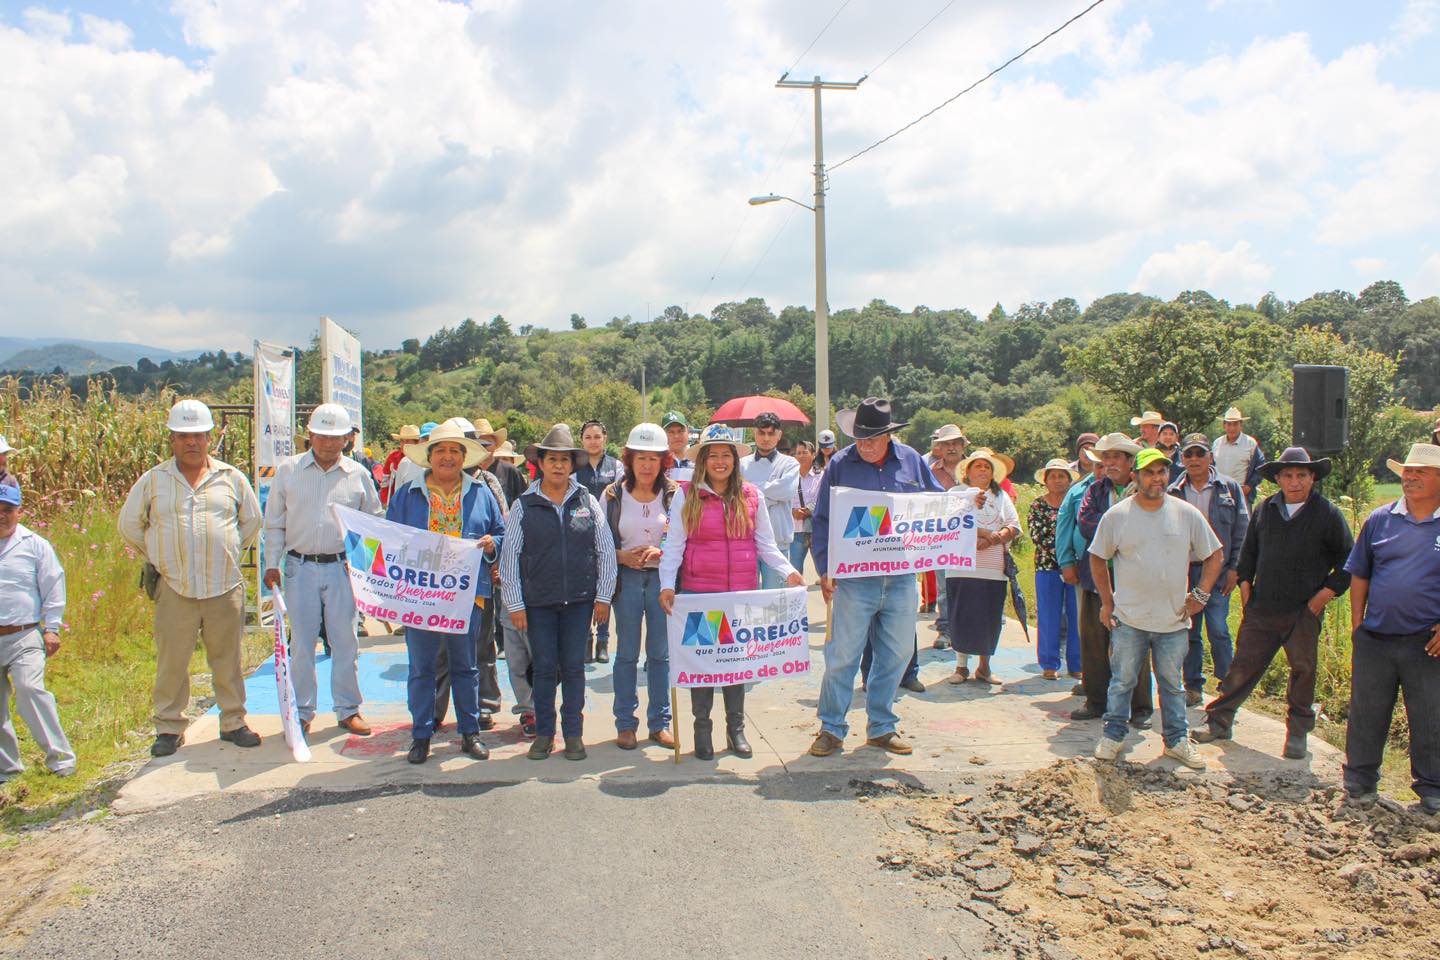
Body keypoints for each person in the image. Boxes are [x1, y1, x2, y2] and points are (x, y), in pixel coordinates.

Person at [119, 399, 263, 757]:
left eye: (198, 435)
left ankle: (232, 721)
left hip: (222, 586)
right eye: (184, 436)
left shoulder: (230, 478)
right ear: (172, 439)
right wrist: (160, 557)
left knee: (227, 658)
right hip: (175, 587)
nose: (192, 443)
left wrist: (227, 551)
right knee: (173, 660)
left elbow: (251, 522)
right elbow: (129, 525)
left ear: (209, 437)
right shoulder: (155, 480)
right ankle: (169, 727)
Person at [809, 398, 945, 758]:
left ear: (888, 436)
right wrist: (824, 567)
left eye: (871, 438)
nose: (864, 445)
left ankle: (882, 726)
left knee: (897, 653)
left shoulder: (912, 460)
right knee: (842, 655)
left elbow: (938, 504)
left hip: (901, 576)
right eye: (859, 438)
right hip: (855, 578)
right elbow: (821, 519)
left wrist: (964, 506)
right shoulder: (839, 464)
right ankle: (831, 728)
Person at [1196, 447, 1352, 759]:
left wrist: (1325, 595)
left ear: (1312, 478)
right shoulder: (1265, 510)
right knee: (1243, 666)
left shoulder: (1327, 514)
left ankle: (1297, 733)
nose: (1295, 482)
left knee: (1303, 669)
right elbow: (1249, 551)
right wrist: (1244, 583)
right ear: (1278, 479)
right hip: (1263, 607)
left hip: (1303, 609)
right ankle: (1220, 720)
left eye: (1302, 475)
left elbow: (1349, 560)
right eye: (1288, 475)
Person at [659, 424, 803, 759]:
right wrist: (668, 584)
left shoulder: (752, 495)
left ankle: (735, 730)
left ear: (735, 460)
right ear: (703, 460)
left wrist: (789, 572)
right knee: (702, 667)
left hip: (740, 596)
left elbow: (765, 545)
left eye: (726, 455)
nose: (720, 461)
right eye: (714, 456)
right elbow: (675, 545)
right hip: (699, 595)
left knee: (735, 666)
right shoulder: (686, 494)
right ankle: (702, 730)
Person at [1089, 448, 1223, 769]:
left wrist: (1201, 595)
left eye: (1162, 472)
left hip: (1172, 619)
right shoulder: (1118, 516)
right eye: (1149, 472)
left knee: (1172, 685)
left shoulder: (1185, 513)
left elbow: (1214, 555)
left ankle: (1177, 740)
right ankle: (1114, 734)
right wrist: (1108, 602)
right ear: (1135, 476)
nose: (1156, 478)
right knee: (1122, 681)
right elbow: (1097, 557)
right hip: (1129, 618)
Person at [386, 422, 505, 765]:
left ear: (464, 457)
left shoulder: (480, 493)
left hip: (466, 595)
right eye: (441, 451)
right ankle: (421, 734)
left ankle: (470, 733)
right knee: (421, 666)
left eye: (455, 451)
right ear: (429, 457)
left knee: (466, 665)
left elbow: (500, 532)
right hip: (420, 595)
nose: (448, 457)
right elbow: (389, 538)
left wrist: (490, 544)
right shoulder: (408, 494)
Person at [262, 404, 382, 738]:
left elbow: (374, 521)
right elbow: (275, 524)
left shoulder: (357, 475)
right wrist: (272, 563)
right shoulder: (288, 471)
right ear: (310, 435)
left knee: (346, 641)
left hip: (341, 568)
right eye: (322, 435)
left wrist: (366, 567)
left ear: (347, 439)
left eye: (336, 437)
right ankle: (301, 711)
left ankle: (348, 710)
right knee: (302, 643)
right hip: (300, 567)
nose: (328, 443)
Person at [501, 424, 616, 762]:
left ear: (572, 464)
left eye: (564, 460)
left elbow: (605, 549)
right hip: (538, 603)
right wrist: (516, 603)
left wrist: (603, 596)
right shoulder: (524, 504)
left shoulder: (587, 501)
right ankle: (545, 735)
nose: (558, 466)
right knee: (545, 669)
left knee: (575, 669)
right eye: (551, 459)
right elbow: (510, 556)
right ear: (541, 463)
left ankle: (574, 734)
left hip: (579, 602)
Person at [1340, 443, 1440, 814]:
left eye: (1421, 472)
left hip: (1427, 641)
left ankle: (1431, 790)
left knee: (1430, 716)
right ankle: (1359, 782)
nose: (1410, 478)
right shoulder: (1380, 520)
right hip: (1376, 637)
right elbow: (1360, 574)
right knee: (1367, 711)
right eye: (1407, 473)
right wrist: (1357, 626)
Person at [1071, 433, 1155, 727]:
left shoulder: (1145, 490)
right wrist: (1120, 527)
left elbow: (1146, 527)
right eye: (1105, 458)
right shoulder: (1095, 490)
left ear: (1130, 461)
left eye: (1116, 457)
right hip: (1097, 575)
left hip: (1134, 577)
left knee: (1136, 640)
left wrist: (1113, 529)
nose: (1109, 463)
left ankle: (1141, 706)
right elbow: (1086, 525)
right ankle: (1096, 699)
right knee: (1093, 637)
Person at [603, 423, 678, 749]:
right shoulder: (612, 495)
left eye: (654, 458)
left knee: (660, 656)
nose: (647, 465)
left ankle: (659, 723)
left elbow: (684, 539)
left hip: (663, 581)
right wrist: (621, 556)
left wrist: (662, 553)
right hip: (628, 581)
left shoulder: (675, 495)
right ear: (629, 460)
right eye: (640, 457)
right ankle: (625, 724)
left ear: (664, 461)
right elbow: (599, 542)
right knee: (627, 655)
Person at [431, 417, 506, 731]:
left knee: (481, 646)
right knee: (439, 651)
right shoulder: (422, 486)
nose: (451, 457)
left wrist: (495, 552)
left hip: (477, 583)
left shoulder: (487, 484)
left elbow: (502, 525)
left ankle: (482, 706)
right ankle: (432, 711)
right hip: (433, 585)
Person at [0, 483, 76, 781]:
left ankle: (60, 758)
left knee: (30, 689)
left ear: (19, 512)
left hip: (25, 634)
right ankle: (7, 770)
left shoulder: (34, 544)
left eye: (8, 511)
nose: (2, 516)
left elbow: (53, 585)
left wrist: (52, 628)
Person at [1167, 433, 1248, 707]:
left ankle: (1228, 685)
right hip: (1185, 572)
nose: (1194, 459)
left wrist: (1236, 568)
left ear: (1210, 457)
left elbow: (1242, 531)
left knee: (1218, 629)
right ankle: (1193, 686)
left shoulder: (1230, 488)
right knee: (1189, 631)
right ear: (1182, 459)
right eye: (1188, 455)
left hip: (1219, 572)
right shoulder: (1173, 491)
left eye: (1199, 454)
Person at [945, 448, 1022, 686]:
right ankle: (961, 666)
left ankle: (984, 667)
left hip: (992, 565)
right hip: (961, 565)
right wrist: (983, 534)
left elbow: (1014, 525)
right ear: (967, 471)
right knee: (962, 612)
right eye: (977, 466)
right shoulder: (956, 493)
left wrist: (994, 538)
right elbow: (950, 521)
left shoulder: (1001, 496)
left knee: (989, 615)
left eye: (987, 466)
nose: (982, 470)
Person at [1056, 435, 1107, 689]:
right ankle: (1090, 679)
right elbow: (1064, 528)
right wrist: (1066, 561)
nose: (1101, 469)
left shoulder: (1127, 490)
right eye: (1097, 464)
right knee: (1086, 626)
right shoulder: (1077, 490)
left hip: (1121, 569)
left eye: (1104, 463)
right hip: (1084, 566)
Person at [575, 420, 622, 664]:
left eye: (597, 436)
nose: (593, 441)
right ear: (581, 441)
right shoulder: (574, 468)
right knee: (584, 590)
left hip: (610, 534)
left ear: (605, 438)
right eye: (588, 437)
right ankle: (586, 640)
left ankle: (603, 641)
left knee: (607, 586)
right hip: (580, 536)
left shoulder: (617, 467)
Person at [1029, 458, 1081, 680]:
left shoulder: (1077, 503)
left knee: (1076, 616)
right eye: (1053, 476)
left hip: (1075, 567)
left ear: (1069, 480)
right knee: (1048, 616)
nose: (1058, 480)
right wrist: (1063, 548)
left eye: (1062, 476)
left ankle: (1077, 664)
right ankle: (1049, 664)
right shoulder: (1037, 505)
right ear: (1045, 480)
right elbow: (1037, 536)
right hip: (1047, 566)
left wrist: (1071, 554)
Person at [739, 411, 800, 590]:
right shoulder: (741, 464)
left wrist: (751, 490)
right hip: (745, 542)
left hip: (778, 544)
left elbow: (786, 491)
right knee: (746, 603)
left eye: (771, 433)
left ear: (779, 435)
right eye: (761, 433)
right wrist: (771, 493)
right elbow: (736, 494)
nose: (766, 438)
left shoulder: (790, 464)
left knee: (774, 606)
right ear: (754, 433)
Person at [924, 424, 967, 647]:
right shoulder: (930, 474)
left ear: (962, 446)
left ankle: (967, 632)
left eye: (955, 443)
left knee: (969, 586)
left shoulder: (975, 470)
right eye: (946, 444)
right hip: (943, 538)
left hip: (972, 539)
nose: (951, 448)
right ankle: (945, 630)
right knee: (944, 586)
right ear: (939, 448)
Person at [1212, 407, 1264, 506]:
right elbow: (1211, 467)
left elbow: (1260, 468)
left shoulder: (1250, 443)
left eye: (1235, 424)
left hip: (1242, 494)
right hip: (1219, 492)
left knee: (1243, 521)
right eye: (1229, 424)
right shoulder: (1217, 443)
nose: (1232, 428)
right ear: (1224, 425)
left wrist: (1249, 486)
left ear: (1241, 425)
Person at [473, 418, 528, 507]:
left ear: (496, 445)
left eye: (488, 443)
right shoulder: (466, 471)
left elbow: (524, 503)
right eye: (479, 443)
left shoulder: (510, 470)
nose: (484, 447)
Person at [789, 439, 823, 576]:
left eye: (805, 452)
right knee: (795, 571)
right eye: (798, 453)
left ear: (813, 455)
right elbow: (783, 499)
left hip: (817, 529)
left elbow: (824, 499)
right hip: (795, 530)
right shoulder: (788, 477)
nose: (801, 456)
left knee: (824, 571)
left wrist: (808, 510)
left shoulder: (821, 476)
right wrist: (792, 511)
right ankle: (797, 597)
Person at [379, 424, 420, 506]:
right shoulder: (392, 458)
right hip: (397, 501)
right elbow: (385, 482)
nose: (404, 444)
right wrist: (385, 501)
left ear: (416, 443)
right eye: (402, 441)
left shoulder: (422, 458)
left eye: (407, 441)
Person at [661, 411, 694, 478]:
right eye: (671, 432)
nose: (676, 436)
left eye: (680, 431)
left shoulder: (699, 460)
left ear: (688, 431)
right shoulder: (659, 462)